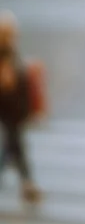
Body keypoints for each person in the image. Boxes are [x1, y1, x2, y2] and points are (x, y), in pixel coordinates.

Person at [0, 11, 42, 203]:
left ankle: (27, 183)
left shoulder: (10, 52)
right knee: (14, 144)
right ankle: (27, 183)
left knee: (13, 146)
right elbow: (8, 82)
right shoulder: (4, 54)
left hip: (16, 108)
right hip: (9, 108)